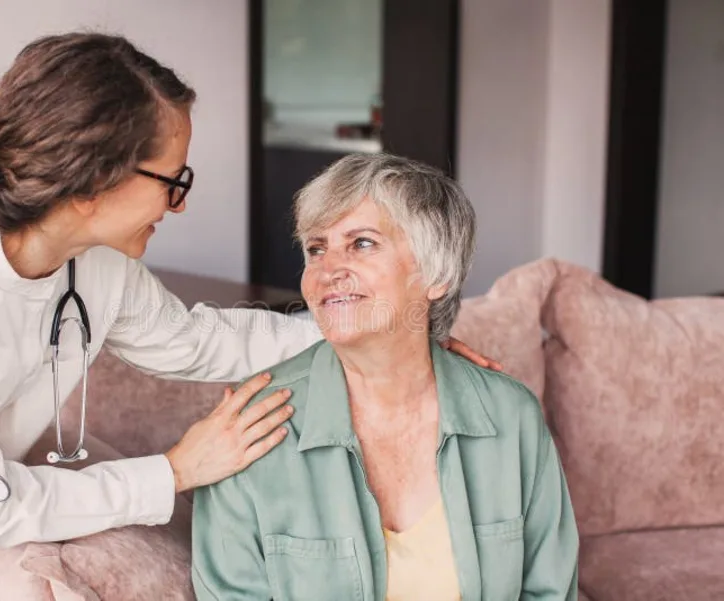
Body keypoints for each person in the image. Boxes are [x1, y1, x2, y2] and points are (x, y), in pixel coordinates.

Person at [0, 33, 498, 601]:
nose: (178, 205)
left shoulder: (93, 263)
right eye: (172, 180)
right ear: (93, 182)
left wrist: (378, 329)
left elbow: (197, 341)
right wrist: (175, 470)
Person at [191, 153, 579, 600]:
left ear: (436, 273)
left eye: (362, 243)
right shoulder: (252, 426)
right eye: (316, 248)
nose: (327, 271)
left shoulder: (511, 418)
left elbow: (548, 590)